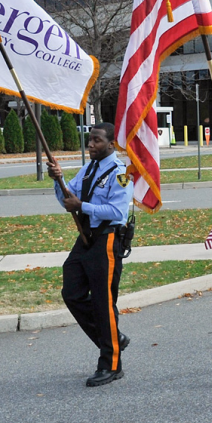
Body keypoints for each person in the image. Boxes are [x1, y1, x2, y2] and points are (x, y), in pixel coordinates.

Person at [47, 123, 134, 387]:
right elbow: (68, 197)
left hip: (106, 240)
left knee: (102, 302)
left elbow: (117, 212)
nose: (91, 145)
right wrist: (57, 180)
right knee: (71, 293)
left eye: (97, 140)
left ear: (111, 144)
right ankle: (113, 339)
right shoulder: (88, 169)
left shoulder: (122, 174)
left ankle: (111, 364)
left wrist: (82, 205)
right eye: (90, 140)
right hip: (85, 239)